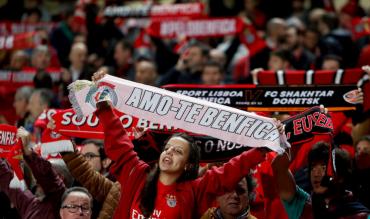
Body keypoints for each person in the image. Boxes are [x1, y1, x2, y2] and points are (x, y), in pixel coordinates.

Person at [92, 70, 285, 219]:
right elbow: (120, 145)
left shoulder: (194, 190)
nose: (168, 153)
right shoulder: (137, 175)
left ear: (188, 165)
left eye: (177, 151)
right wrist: (104, 107)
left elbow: (229, 172)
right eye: (167, 149)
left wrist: (264, 146)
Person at [272, 142, 370, 219]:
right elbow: (279, 167)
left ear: (341, 177)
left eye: (324, 168)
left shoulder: (362, 216)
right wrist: (299, 137)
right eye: (313, 167)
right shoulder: (302, 205)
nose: (316, 173)